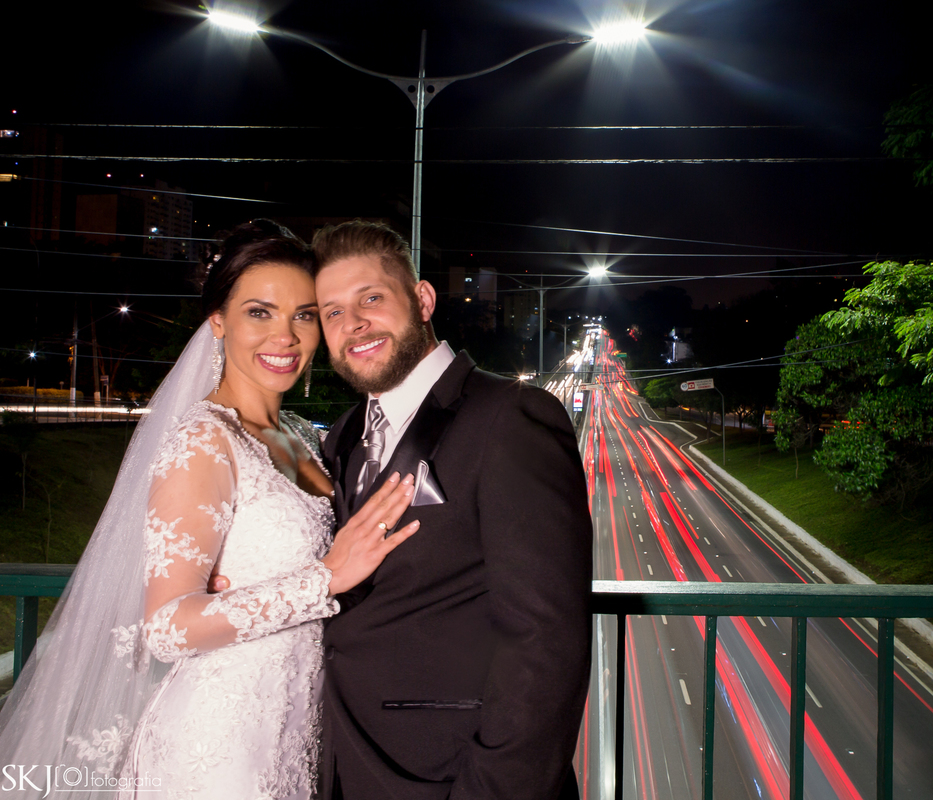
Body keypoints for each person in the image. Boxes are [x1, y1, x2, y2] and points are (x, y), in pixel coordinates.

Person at [0, 221, 418, 799]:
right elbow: (168, 629)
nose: (285, 337)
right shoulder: (201, 441)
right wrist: (325, 577)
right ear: (218, 322)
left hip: (296, 730)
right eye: (259, 313)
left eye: (302, 315)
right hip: (218, 743)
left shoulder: (298, 434)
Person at [312, 220, 593, 800]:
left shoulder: (512, 417)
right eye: (332, 312)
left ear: (421, 299)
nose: (353, 324)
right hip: (347, 767)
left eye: (371, 298)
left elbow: (546, 643)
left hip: (452, 778)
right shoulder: (341, 438)